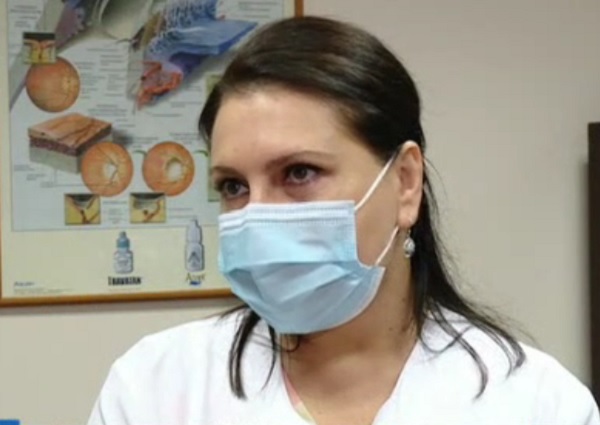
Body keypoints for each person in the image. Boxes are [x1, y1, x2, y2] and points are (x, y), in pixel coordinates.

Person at [87, 16, 600, 425]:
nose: (257, 216)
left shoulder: (535, 405)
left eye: (299, 172)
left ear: (405, 182)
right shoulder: (154, 390)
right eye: (234, 186)